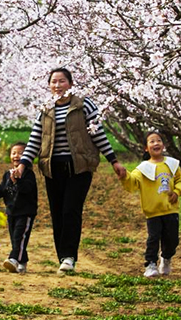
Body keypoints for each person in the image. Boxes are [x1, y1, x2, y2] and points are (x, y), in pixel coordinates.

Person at [11, 67, 126, 273]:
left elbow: (97, 133)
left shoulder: (84, 104)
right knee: (57, 213)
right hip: (53, 167)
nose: (57, 85)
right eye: (54, 82)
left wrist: (113, 161)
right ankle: (62, 257)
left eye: (62, 81)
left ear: (71, 84)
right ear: (49, 85)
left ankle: (69, 257)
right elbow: (35, 139)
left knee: (71, 210)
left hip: (79, 167)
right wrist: (22, 165)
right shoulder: (45, 108)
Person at [119, 130, 181, 278]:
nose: (156, 143)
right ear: (146, 148)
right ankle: (150, 264)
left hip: (171, 209)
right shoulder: (143, 168)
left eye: (158, 140)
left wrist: (177, 192)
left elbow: (180, 180)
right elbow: (133, 182)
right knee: (153, 239)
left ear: (164, 145)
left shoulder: (172, 164)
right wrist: (124, 176)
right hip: (153, 211)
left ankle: (166, 258)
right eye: (152, 141)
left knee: (172, 239)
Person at [0, 142, 38, 274]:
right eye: (14, 153)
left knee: (19, 237)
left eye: (20, 153)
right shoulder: (7, 174)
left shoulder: (28, 174)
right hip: (11, 212)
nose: (16, 156)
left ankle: (13, 259)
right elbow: (2, 192)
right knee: (15, 239)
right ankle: (23, 261)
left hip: (25, 212)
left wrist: (18, 180)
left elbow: (27, 189)